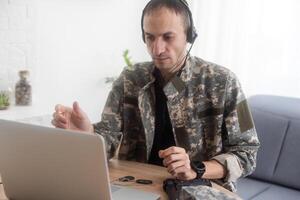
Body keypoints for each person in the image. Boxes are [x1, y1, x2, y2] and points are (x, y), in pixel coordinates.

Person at [52, 0, 260, 192]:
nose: (157, 49)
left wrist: (196, 168)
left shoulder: (226, 82)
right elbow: (108, 138)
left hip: (200, 189)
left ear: (189, 35)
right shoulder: (129, 79)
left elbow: (247, 153)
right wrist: (87, 134)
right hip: (135, 186)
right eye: (150, 37)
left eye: (168, 37)